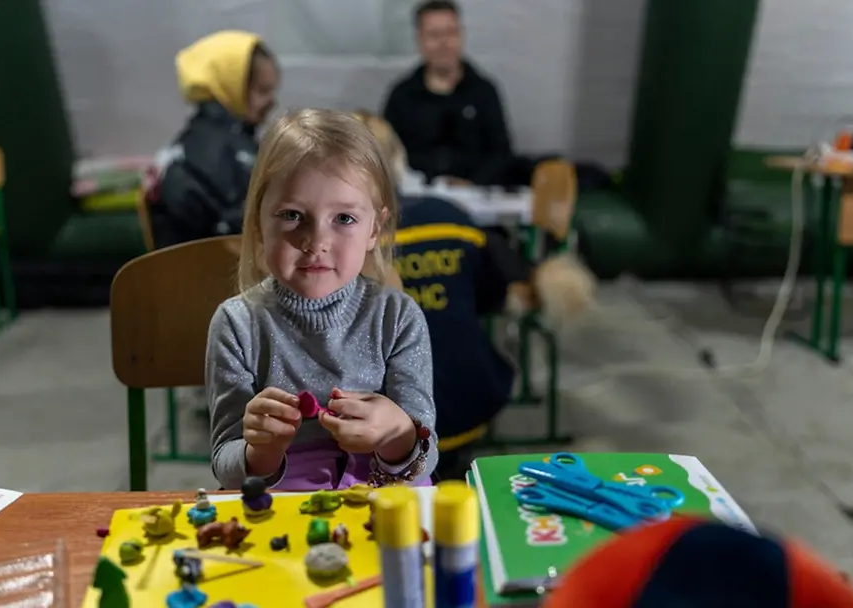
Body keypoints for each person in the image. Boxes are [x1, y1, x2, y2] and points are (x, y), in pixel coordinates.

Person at [353, 110, 595, 478]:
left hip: (388, 426)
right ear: (398, 160)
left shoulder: (335, 245)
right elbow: (505, 293)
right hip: (472, 400)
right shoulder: (451, 218)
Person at [206, 109, 439, 491]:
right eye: (292, 215)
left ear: (373, 230)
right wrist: (262, 450)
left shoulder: (398, 318)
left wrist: (397, 432)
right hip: (281, 509)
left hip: (387, 503)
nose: (316, 242)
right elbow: (226, 463)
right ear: (259, 223)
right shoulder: (237, 325)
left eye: (344, 219)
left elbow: (425, 454)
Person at [147, 31, 280, 248]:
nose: (272, 101)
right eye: (263, 90)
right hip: (213, 276)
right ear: (230, 87)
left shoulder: (200, 140)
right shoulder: (224, 153)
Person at [381, 1, 517, 187]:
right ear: (419, 39)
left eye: (451, 33)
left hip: (478, 197)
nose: (444, 43)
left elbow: (501, 153)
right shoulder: (402, 96)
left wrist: (472, 183)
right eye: (434, 35)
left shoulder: (483, 91)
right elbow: (387, 154)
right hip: (417, 198)